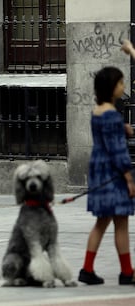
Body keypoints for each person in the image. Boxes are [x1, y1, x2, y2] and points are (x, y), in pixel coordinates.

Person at [78, 67, 135, 285]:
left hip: (98, 170)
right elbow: (118, 151)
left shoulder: (97, 111)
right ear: (111, 88)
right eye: (120, 83)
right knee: (121, 222)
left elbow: (106, 137)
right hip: (114, 173)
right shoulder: (112, 115)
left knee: (102, 222)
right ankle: (127, 272)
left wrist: (122, 128)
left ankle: (88, 268)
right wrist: (129, 178)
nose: (123, 87)